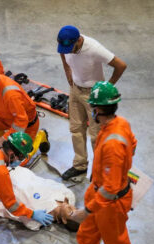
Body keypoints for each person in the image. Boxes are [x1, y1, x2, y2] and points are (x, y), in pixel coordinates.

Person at [67, 82, 136, 244]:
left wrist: (88, 210)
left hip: (110, 205)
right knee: (86, 236)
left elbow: (110, 188)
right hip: (98, 194)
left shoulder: (113, 144)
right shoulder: (121, 123)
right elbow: (133, 144)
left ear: (97, 110)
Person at [57, 25, 127, 180]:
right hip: (75, 89)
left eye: (70, 48)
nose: (66, 51)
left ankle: (99, 170)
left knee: (96, 136)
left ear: (79, 41)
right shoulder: (65, 45)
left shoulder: (94, 48)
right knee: (76, 129)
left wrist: (106, 88)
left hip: (93, 95)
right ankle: (80, 165)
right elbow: (62, 53)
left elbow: (121, 65)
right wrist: (68, 72)